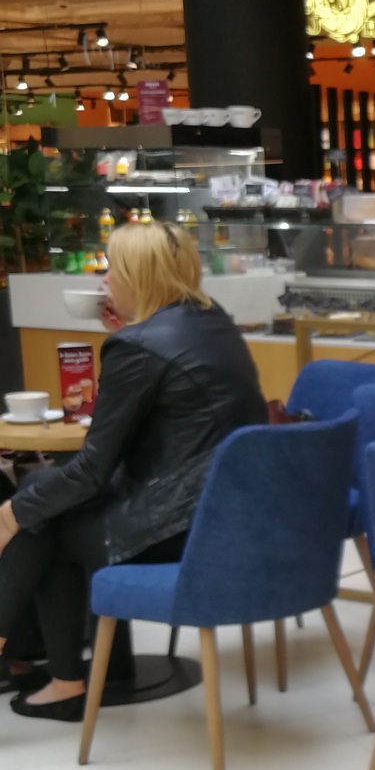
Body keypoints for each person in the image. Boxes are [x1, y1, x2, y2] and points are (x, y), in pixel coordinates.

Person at [0, 219, 267, 721]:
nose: (104, 281)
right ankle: (49, 668)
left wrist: (12, 514)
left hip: (182, 523)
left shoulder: (138, 346)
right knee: (40, 496)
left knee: (40, 519)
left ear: (138, 276)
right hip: (233, 511)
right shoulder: (211, 319)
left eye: (112, 269)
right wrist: (131, 332)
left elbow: (91, 471)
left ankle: (62, 679)